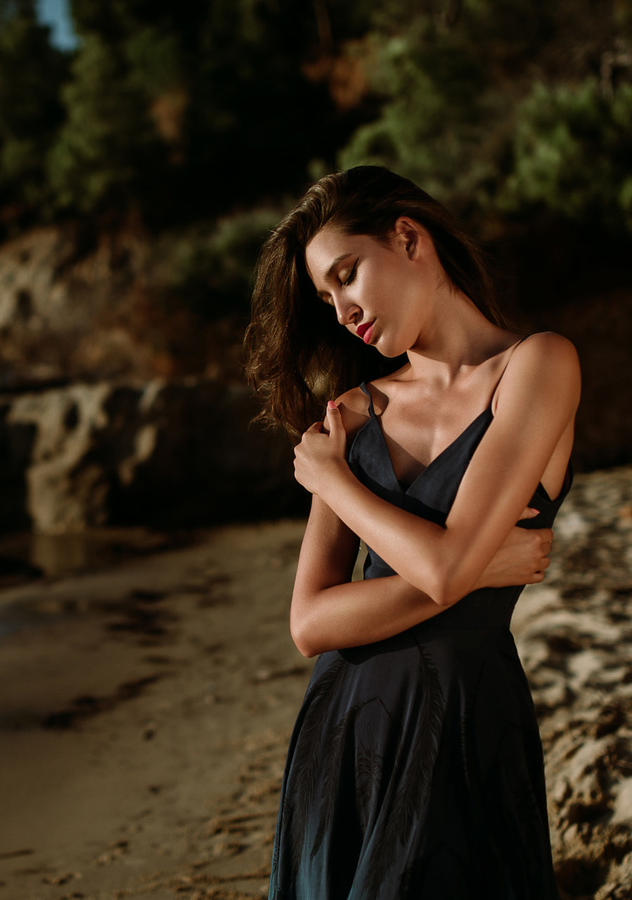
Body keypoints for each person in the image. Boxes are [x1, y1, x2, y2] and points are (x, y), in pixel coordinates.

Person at [245, 166, 579, 899]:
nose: (342, 313)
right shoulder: (352, 414)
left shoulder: (537, 366)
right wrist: (473, 570)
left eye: (347, 277)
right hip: (346, 732)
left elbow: (449, 565)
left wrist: (336, 484)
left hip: (465, 726)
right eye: (327, 299)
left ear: (407, 237)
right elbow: (308, 623)